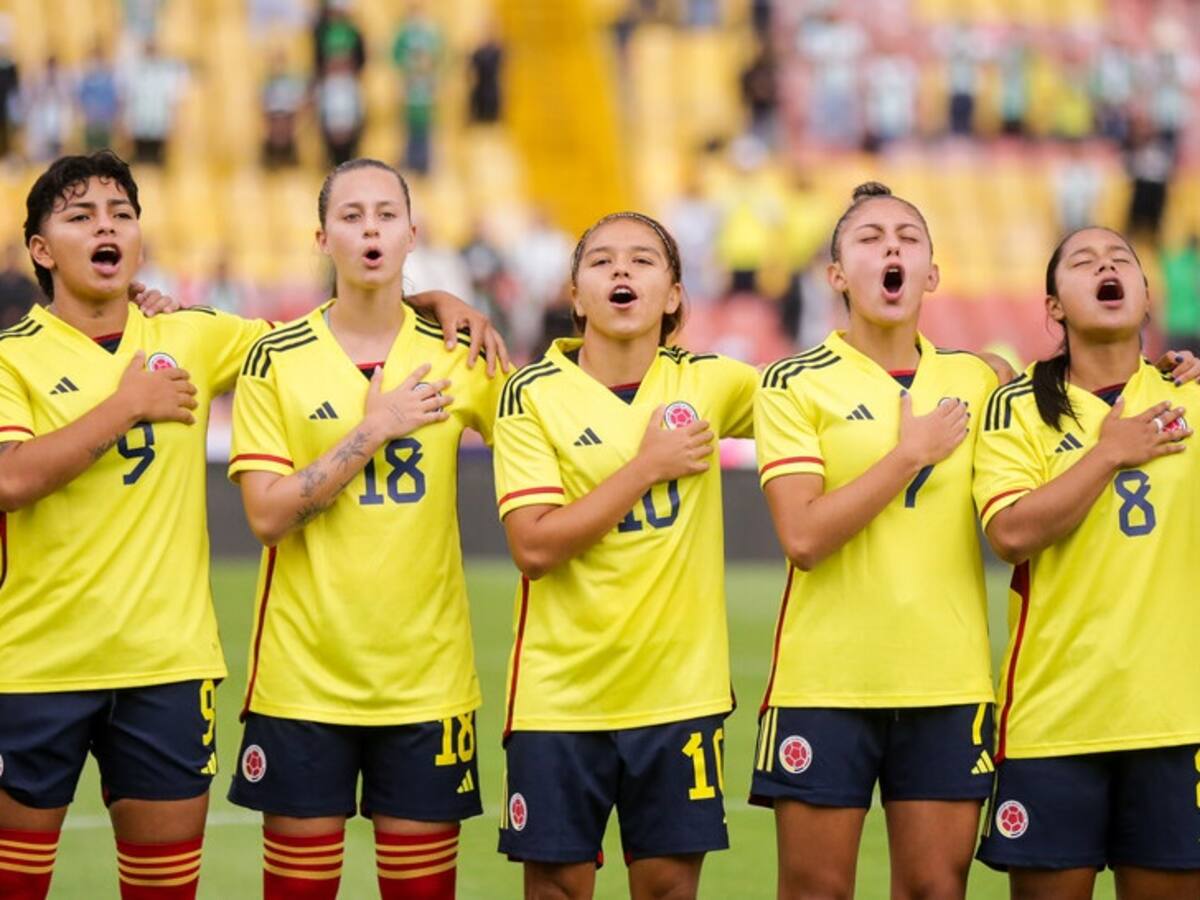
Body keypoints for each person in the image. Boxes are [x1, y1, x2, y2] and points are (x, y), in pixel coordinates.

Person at [0, 150, 503, 900]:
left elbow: (336, 328)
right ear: (41, 249)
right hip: (33, 664)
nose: (106, 229)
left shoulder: (199, 336)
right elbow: (9, 480)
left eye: (122, 215)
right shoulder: (11, 359)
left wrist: (431, 298)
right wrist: (127, 404)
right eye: (80, 218)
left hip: (168, 667)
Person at [226, 158, 506, 900]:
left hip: (427, 684)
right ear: (323, 237)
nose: (370, 228)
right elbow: (266, 515)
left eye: (386, 214)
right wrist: (372, 431)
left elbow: (548, 433)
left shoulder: (462, 355)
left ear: (414, 234)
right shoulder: (274, 360)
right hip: (303, 684)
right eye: (351, 216)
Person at [493, 211, 757, 900]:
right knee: (556, 889)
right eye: (601, 260)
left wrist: (981, 371)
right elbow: (534, 545)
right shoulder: (531, 394)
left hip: (678, 694)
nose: (620, 270)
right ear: (574, 295)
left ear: (674, 295)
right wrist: (646, 467)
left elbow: (825, 398)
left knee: (669, 889)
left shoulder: (716, 383)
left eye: (642, 260)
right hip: (561, 699)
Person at [750, 182, 999, 900]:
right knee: (816, 891)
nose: (891, 247)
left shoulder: (980, 381)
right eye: (868, 238)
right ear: (836, 275)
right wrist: (907, 455)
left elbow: (1077, 388)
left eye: (907, 237)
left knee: (934, 890)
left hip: (947, 679)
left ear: (932, 273)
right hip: (827, 681)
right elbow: (802, 535)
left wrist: (1167, 374)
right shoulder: (794, 383)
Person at [973, 226, 1200, 898]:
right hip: (1055, 721)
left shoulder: (1190, 398)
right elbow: (1010, 534)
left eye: (1121, 260)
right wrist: (1106, 453)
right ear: (1054, 310)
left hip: (1175, 721)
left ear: (1145, 296)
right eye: (1083, 261)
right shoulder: (1015, 409)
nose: (1106, 266)